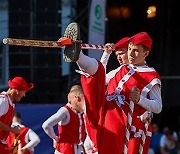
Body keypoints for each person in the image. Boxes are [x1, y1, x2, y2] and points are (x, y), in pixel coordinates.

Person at [63, 22, 162, 154]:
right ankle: (78, 56)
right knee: (96, 76)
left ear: (146, 53)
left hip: (118, 117)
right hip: (102, 108)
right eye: (130, 49)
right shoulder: (123, 68)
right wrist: (106, 54)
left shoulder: (151, 76)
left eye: (136, 50)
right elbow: (100, 77)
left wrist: (139, 100)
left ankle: (78, 56)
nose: (131, 54)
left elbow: (158, 106)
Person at [42, 84, 86, 154]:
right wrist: (55, 138)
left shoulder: (82, 110)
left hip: (79, 148)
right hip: (65, 149)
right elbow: (46, 125)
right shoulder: (65, 111)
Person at [0, 76, 34, 153]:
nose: (24, 95)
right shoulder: (3, 100)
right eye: (24, 91)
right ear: (17, 90)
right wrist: (12, 130)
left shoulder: (9, 103)